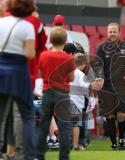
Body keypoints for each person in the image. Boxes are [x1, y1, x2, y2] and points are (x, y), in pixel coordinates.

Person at [0, 0, 36, 160]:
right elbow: (29, 54)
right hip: (18, 72)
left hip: (1, 69)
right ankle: (26, 155)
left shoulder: (1, 22)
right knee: (27, 115)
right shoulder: (27, 26)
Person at [94, 22, 125, 150]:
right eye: (110, 32)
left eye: (114, 31)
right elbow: (98, 65)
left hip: (122, 86)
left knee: (122, 115)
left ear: (119, 32)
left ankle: (122, 140)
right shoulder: (101, 47)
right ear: (107, 33)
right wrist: (100, 77)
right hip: (106, 86)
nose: (112, 34)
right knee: (109, 116)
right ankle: (113, 144)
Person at [36, 27, 75, 160]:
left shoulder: (43, 55)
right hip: (63, 93)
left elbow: (40, 74)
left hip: (47, 92)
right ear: (65, 41)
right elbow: (71, 78)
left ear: (50, 40)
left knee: (43, 125)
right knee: (64, 128)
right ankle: (64, 157)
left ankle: (39, 156)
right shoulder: (68, 58)